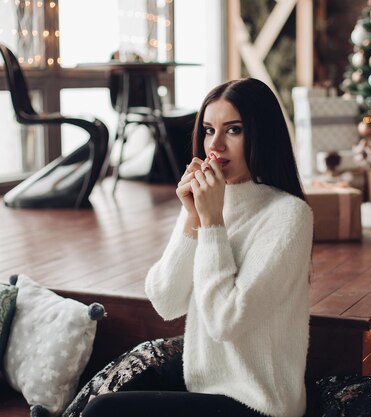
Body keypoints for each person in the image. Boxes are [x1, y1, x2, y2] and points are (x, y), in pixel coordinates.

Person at [83, 78, 313, 417]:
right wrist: (192, 219)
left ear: (261, 134)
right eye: (208, 130)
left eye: (233, 130)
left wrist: (212, 222)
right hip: (204, 390)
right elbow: (165, 300)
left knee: (104, 412)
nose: (215, 145)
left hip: (260, 405)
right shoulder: (207, 202)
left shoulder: (289, 215)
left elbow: (224, 321)